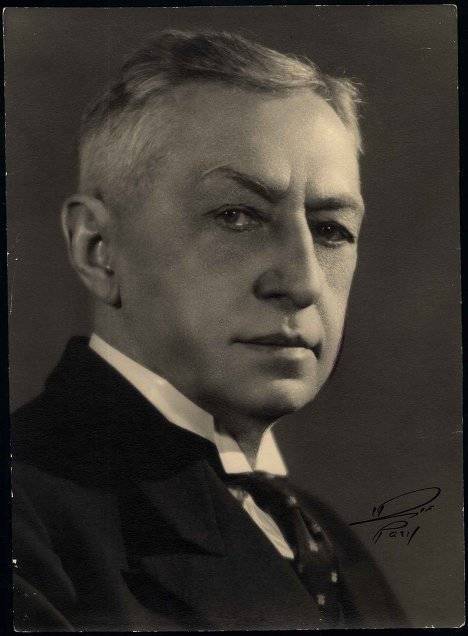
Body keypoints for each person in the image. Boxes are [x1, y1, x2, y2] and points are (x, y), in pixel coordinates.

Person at [11, 30, 407, 630]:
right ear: (98, 249)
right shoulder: (29, 523)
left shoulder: (326, 538)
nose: (303, 282)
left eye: (330, 229)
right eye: (237, 216)